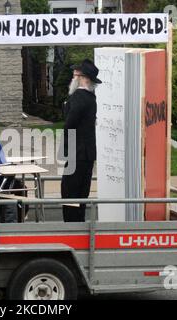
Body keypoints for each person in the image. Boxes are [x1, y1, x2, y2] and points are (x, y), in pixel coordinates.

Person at [61, 59, 102, 222]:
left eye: (75, 75)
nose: (73, 78)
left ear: (82, 78)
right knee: (81, 194)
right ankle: (79, 226)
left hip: (76, 153)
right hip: (87, 154)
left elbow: (70, 123)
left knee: (69, 194)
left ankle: (71, 229)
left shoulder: (79, 97)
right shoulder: (91, 98)